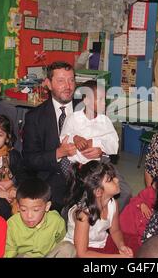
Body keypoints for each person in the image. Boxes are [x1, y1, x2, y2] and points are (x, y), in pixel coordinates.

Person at [23, 61, 131, 212]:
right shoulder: (34, 117)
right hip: (57, 171)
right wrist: (59, 153)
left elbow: (109, 136)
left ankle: (104, 225)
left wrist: (100, 149)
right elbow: (29, 160)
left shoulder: (89, 104)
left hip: (94, 165)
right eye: (61, 81)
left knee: (124, 192)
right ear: (48, 83)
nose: (68, 86)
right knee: (60, 202)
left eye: (71, 80)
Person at [62, 161, 137, 258]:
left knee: (134, 245)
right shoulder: (84, 215)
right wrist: (116, 257)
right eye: (110, 180)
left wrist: (121, 246)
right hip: (79, 250)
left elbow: (115, 231)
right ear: (98, 192)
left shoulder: (113, 203)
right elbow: (82, 253)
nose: (117, 180)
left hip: (100, 242)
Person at [5, 178, 75, 258]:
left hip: (49, 255)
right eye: (23, 210)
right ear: (18, 206)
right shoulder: (12, 224)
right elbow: (10, 251)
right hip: (25, 256)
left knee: (69, 248)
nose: (29, 216)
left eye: (36, 210)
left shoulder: (56, 221)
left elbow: (61, 240)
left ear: (47, 207)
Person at [60, 79, 118, 164]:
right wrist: (74, 138)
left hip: (98, 165)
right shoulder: (72, 118)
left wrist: (96, 143)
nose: (104, 103)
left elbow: (114, 145)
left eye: (104, 99)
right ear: (86, 100)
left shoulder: (105, 121)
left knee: (117, 177)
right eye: (100, 99)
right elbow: (62, 139)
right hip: (75, 166)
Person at [119, 181, 156, 250]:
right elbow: (135, 199)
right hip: (128, 224)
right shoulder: (149, 191)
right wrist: (141, 204)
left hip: (139, 227)